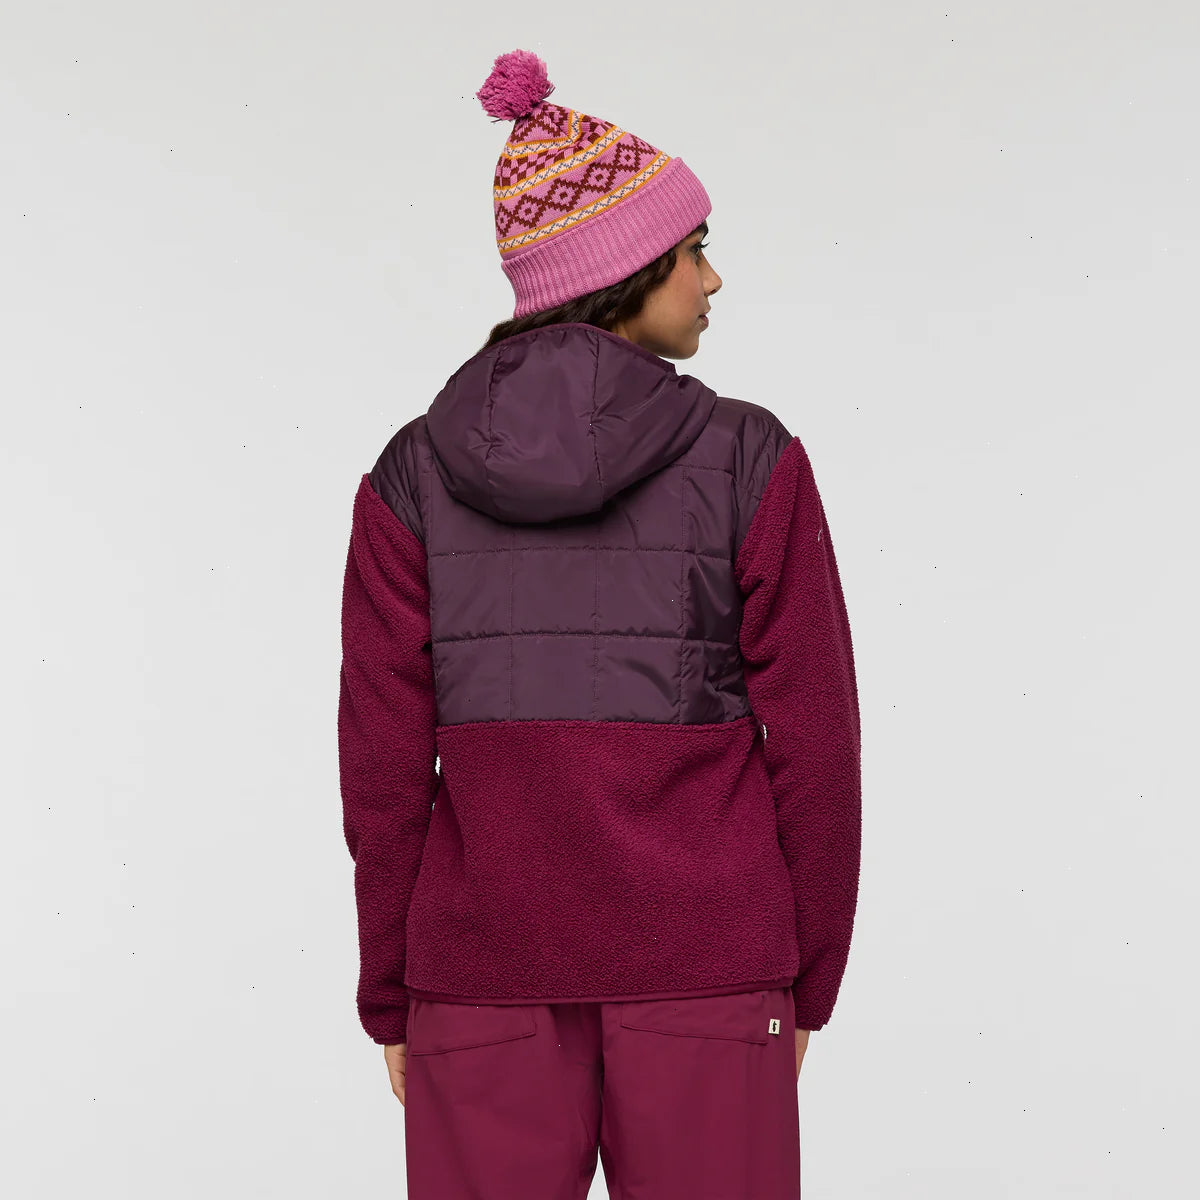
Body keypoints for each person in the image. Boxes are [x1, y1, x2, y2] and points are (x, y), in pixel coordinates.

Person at [336, 47, 862, 1200]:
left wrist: (393, 992)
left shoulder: (409, 475)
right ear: (625, 272)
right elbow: (817, 743)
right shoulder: (750, 459)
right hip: (712, 973)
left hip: (479, 977)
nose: (714, 280)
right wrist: (806, 980)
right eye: (696, 250)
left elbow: (380, 766)